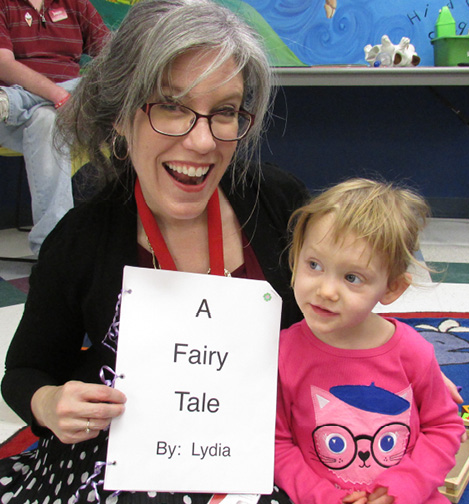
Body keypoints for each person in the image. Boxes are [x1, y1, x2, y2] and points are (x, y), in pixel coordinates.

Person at [0, 0, 308, 502]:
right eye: (171, 107)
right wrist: (49, 402)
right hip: (122, 459)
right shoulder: (82, 240)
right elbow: (25, 371)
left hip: (262, 446)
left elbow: (336, 317)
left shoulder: (280, 206)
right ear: (121, 116)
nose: (204, 142)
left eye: (225, 112)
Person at [275, 178, 465, 504]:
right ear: (296, 257)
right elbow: (276, 444)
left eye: (352, 277)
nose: (326, 290)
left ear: (391, 288)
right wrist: (321, 497)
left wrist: (403, 488)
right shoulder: (282, 352)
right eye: (314, 265)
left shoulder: (412, 350)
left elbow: (444, 428)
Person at [0, 0, 109, 253]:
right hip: (12, 123)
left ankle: (15, 101)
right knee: (47, 119)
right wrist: (57, 95)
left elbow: (117, 58)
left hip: (63, 109)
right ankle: (56, 250)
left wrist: (65, 97)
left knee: (92, 89)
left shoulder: (76, 4)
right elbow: (3, 63)